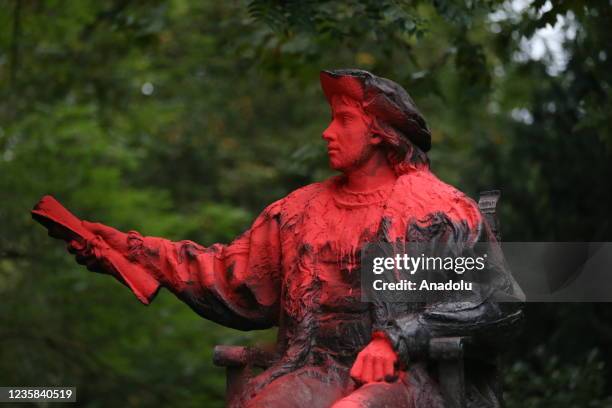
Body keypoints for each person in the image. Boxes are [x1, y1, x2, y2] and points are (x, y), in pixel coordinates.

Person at [47, 69, 523, 407]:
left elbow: (497, 304)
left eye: (343, 119)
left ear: (379, 131)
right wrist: (129, 251)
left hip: (411, 381)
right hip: (310, 370)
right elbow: (228, 276)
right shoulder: (299, 212)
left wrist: (397, 339)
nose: (327, 132)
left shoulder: (435, 211)